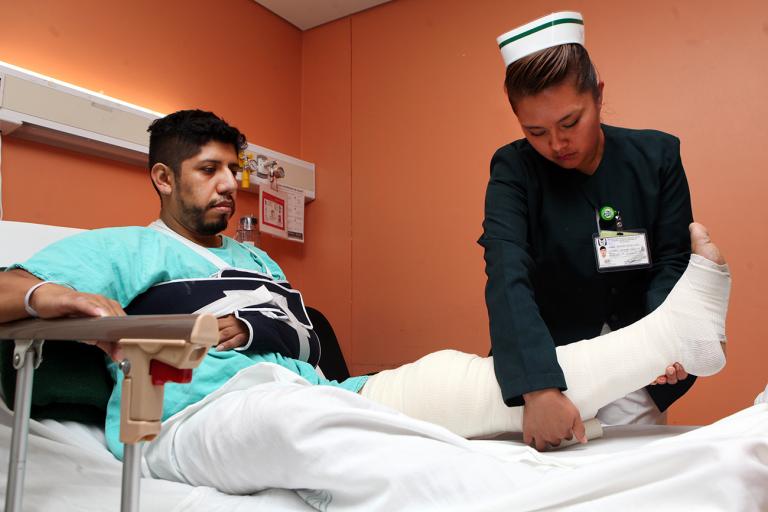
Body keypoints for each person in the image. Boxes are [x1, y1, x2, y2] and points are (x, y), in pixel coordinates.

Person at [0, 110, 730, 509]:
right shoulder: (127, 247)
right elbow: (8, 290)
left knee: (467, 379)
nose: (230, 185)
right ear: (163, 177)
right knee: (300, 421)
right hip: (197, 412)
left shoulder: (259, 262)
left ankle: (667, 340)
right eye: (208, 171)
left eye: (235, 170)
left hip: (318, 390)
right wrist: (52, 295)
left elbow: (305, 354)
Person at [479, 11, 698, 449]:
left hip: (638, 362)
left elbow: (672, 260)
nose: (557, 145)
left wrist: (664, 337)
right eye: (535, 131)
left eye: (569, 123)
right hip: (551, 359)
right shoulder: (514, 169)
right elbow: (506, 271)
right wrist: (539, 387)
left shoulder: (657, 157)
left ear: (598, 95)